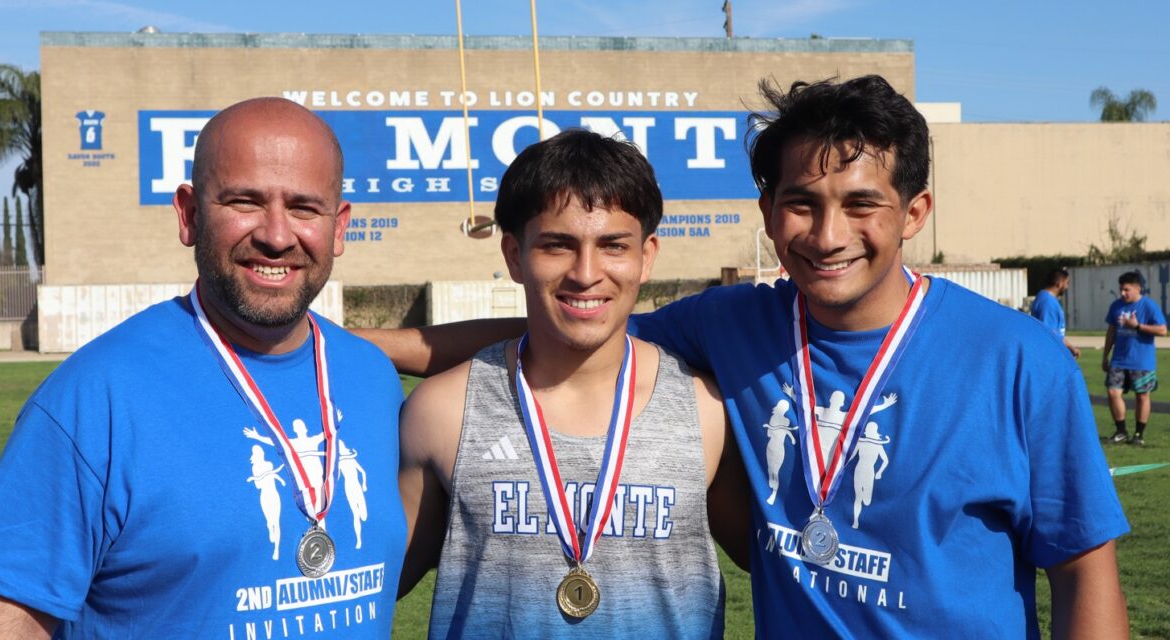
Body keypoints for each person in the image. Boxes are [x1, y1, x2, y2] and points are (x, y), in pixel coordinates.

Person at [361, 76, 1130, 637]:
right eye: (802, 202)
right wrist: (347, 350)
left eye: (862, 204)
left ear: (915, 213)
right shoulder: (734, 326)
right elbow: (575, 317)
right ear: (768, 213)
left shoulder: (1020, 359)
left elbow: (1083, 572)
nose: (828, 235)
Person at [0, 98, 406, 639]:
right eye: (244, 201)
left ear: (339, 225)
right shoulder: (96, 396)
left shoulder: (373, 379)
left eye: (304, 208)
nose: (277, 235)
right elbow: (5, 621)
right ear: (189, 214)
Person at [397, 130, 748, 638]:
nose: (586, 273)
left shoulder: (707, 408)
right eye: (558, 245)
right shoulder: (442, 410)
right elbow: (367, 587)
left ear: (646, 256)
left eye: (613, 245)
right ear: (515, 255)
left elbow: (780, 569)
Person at [1103, 271, 1167, 446]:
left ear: (1138, 288)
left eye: (1126, 289)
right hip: (1118, 360)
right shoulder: (1116, 306)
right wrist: (1105, 355)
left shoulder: (1148, 306)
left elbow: (1162, 330)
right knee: (1112, 392)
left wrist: (1137, 326)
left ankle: (1139, 434)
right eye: (1121, 289)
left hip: (1142, 361)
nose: (1123, 293)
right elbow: (1111, 332)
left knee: (1142, 396)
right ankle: (1121, 431)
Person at [1031, 267, 1081, 357]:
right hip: (1048, 357)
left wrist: (1070, 348)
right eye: (1067, 283)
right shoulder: (1047, 302)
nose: (1067, 287)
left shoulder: (1048, 299)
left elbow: (1057, 333)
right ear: (1059, 284)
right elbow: (1049, 334)